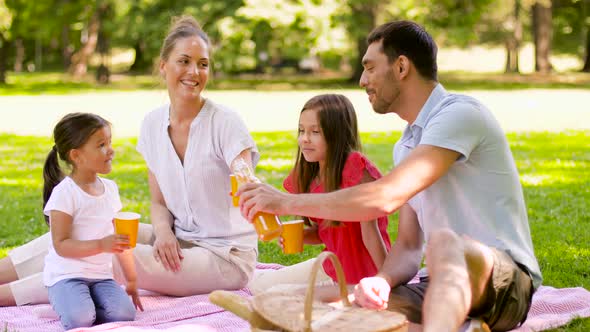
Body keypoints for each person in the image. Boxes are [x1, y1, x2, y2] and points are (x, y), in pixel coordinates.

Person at [237, 20, 541, 332]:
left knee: (444, 243)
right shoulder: (406, 146)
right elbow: (409, 245)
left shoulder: (460, 115)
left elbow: (385, 197)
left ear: (401, 67)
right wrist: (381, 281)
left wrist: (285, 203)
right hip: (439, 288)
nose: (362, 80)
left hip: (504, 286)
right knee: (311, 307)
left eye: (369, 68)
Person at [0, 15, 259, 307]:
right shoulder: (152, 125)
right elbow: (159, 202)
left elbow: (245, 178)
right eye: (184, 61)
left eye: (203, 63)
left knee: (106, 255)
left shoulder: (226, 123)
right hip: (177, 238)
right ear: (163, 66)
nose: (195, 71)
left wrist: (246, 176)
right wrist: (163, 234)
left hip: (225, 257)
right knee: (84, 233)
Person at [247, 94, 391, 295]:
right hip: (332, 265)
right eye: (301, 130)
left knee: (275, 296)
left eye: (315, 132)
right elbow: (327, 230)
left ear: (337, 134)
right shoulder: (309, 173)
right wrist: (301, 235)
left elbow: (370, 233)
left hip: (359, 277)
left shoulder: (355, 169)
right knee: (256, 287)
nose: (304, 138)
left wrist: (388, 283)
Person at [41, 113, 143, 329]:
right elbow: (61, 245)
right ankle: (64, 302)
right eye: (101, 145)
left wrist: (132, 280)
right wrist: (100, 245)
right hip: (67, 275)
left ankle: (74, 303)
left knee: (124, 314)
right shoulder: (65, 194)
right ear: (77, 156)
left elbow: (121, 240)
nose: (111, 150)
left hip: (101, 275)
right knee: (80, 319)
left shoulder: (111, 189)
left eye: (110, 142)